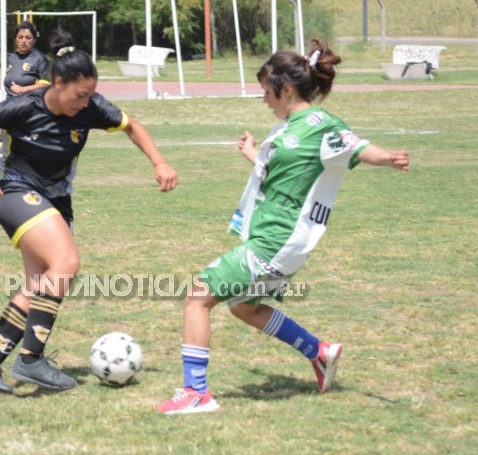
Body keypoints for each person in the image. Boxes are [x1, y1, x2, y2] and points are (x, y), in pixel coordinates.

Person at [155, 39, 409, 414]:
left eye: (266, 92)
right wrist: (254, 156)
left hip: (276, 240)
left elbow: (356, 147)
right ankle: (318, 353)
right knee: (244, 307)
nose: (264, 100)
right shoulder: (290, 128)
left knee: (197, 298)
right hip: (271, 238)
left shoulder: (321, 124)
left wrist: (387, 157)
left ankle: (196, 393)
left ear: (286, 90)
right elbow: (284, 177)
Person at [0, 30, 178, 394]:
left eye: (91, 95)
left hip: (57, 201)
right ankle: (31, 359)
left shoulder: (90, 107)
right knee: (67, 262)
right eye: (80, 95)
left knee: (40, 284)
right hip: (15, 194)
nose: (87, 102)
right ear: (58, 83)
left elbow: (132, 125)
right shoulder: (24, 107)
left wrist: (159, 162)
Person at [0, 21, 51, 208]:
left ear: (34, 40)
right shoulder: (11, 58)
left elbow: (47, 84)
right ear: (15, 38)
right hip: (10, 113)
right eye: (20, 37)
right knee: (2, 152)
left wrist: (24, 89)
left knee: (14, 153)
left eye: (28, 38)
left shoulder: (39, 59)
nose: (24, 41)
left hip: (30, 113)